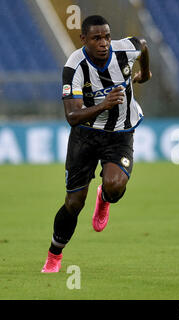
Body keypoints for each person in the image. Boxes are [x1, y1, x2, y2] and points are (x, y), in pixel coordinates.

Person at [41, 15, 151, 273]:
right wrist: (103, 104)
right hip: (86, 135)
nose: (104, 43)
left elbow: (144, 45)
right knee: (74, 202)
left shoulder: (125, 50)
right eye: (96, 38)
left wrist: (144, 72)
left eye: (107, 37)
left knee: (114, 186)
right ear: (84, 40)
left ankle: (104, 197)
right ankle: (54, 255)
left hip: (120, 132)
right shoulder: (74, 67)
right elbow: (72, 116)